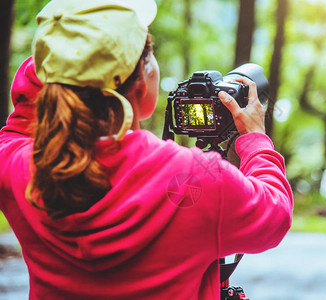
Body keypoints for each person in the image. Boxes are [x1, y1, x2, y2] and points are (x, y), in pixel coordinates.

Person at [0, 0, 293, 299]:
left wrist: (66, 54)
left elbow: (18, 124)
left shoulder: (22, 167)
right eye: (149, 54)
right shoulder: (198, 179)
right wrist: (255, 137)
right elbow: (276, 214)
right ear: (142, 81)